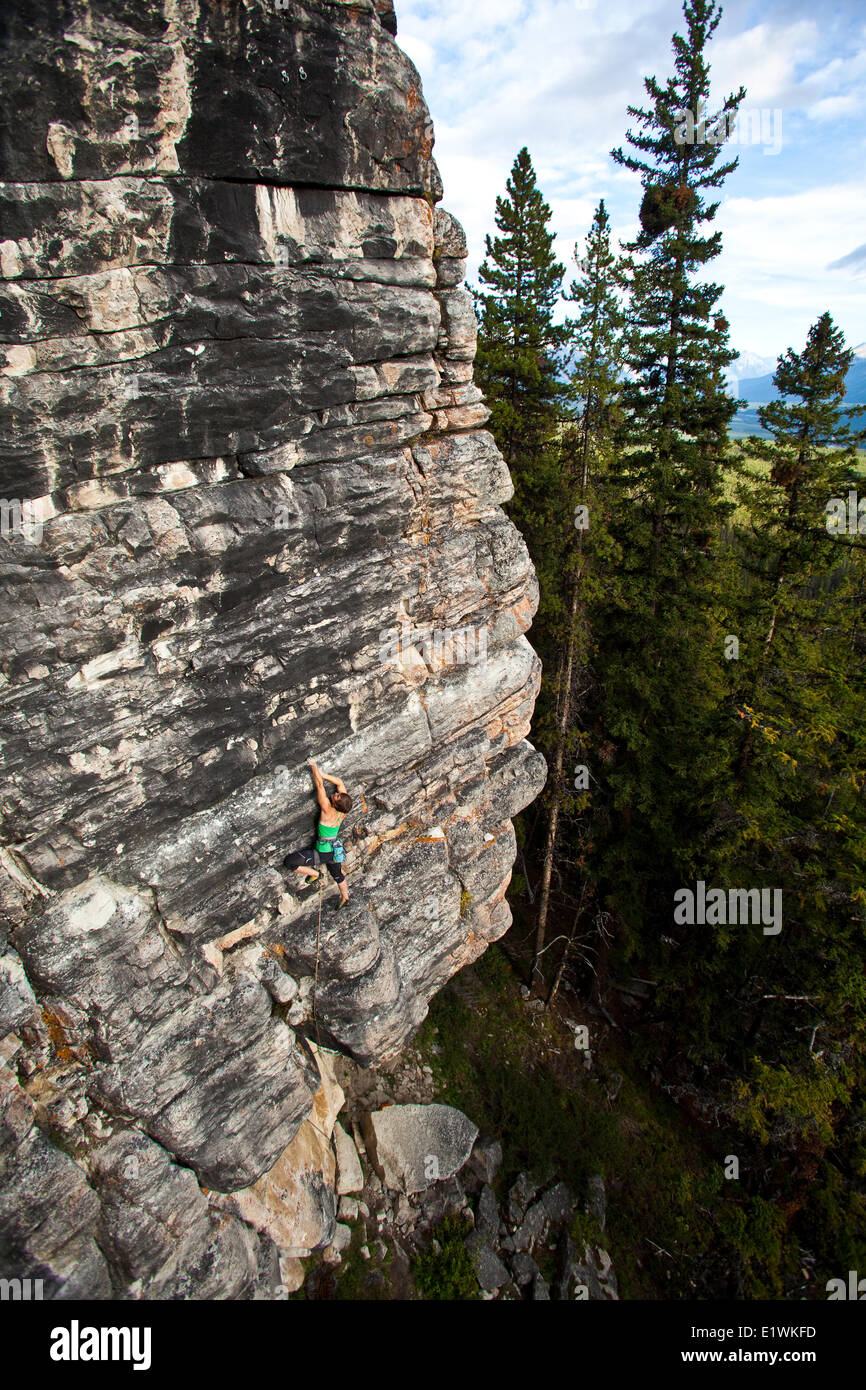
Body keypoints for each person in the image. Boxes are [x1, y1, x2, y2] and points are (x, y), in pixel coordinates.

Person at [283, 760, 352, 910]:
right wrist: (324, 774)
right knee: (338, 874)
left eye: (337, 797)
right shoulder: (344, 811)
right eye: (338, 794)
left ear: (334, 804)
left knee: (290, 862)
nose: (335, 794)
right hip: (335, 850)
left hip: (323, 853)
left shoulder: (327, 809)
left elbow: (319, 786)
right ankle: (346, 897)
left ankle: (314, 873)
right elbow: (339, 783)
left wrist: (314, 766)